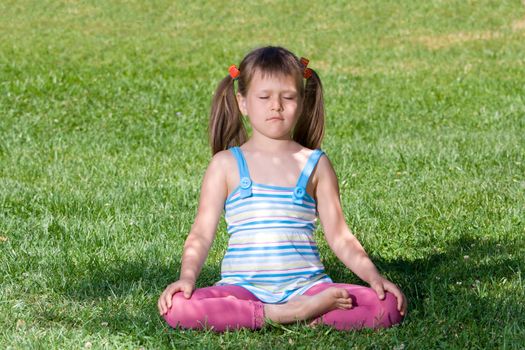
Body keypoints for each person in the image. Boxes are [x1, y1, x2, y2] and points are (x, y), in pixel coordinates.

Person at [158, 46, 407, 332]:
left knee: (387, 306)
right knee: (178, 306)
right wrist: (187, 278)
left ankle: (288, 310)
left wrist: (374, 278)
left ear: (301, 102)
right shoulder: (226, 164)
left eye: (287, 97)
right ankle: (283, 314)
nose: (276, 106)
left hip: (308, 287)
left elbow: (340, 236)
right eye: (264, 97)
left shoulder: (315, 164)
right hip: (242, 289)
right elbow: (201, 233)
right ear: (242, 102)